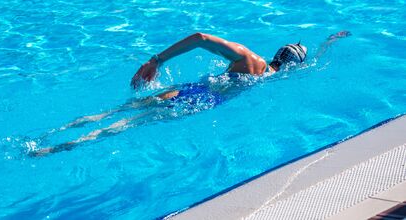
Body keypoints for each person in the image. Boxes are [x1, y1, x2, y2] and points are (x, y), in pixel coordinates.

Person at [30, 31, 350, 156]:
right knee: (119, 128)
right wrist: (329, 44)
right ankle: (56, 149)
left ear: (278, 54)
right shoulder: (265, 72)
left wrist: (156, 61)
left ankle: (50, 135)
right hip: (195, 102)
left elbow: (199, 37)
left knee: (111, 114)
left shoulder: (258, 64)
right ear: (293, 66)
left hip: (187, 90)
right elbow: (199, 36)